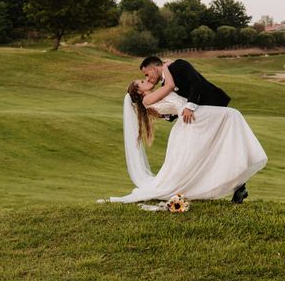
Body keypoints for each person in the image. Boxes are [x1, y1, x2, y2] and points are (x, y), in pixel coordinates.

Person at [108, 60, 266, 206]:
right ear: (139, 92)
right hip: (192, 119)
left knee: (228, 124)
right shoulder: (147, 99)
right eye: (142, 82)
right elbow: (170, 86)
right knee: (232, 115)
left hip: (192, 119)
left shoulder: (154, 96)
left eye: (145, 77)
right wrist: (164, 67)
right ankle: (237, 181)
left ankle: (239, 182)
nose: (147, 80)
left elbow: (171, 108)